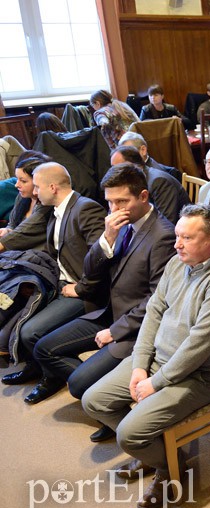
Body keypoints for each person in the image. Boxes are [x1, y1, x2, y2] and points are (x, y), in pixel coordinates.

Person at [82, 204, 210, 508]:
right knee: (94, 401)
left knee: (129, 434)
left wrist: (156, 382)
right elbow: (153, 312)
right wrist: (139, 366)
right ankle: (160, 452)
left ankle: (169, 468)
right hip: (160, 361)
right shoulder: (177, 263)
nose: (177, 244)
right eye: (177, 236)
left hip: (201, 375)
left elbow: (200, 345)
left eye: (187, 237)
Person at [30, 163, 175, 431]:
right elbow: (90, 269)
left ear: (143, 196)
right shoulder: (119, 225)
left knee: (77, 384)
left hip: (135, 328)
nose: (115, 209)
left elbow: (157, 301)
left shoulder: (163, 236)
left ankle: (109, 401)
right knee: (43, 348)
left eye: (122, 201)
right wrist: (107, 237)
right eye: (110, 202)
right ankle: (107, 396)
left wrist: (115, 331)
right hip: (108, 311)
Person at [1, 162, 105, 394]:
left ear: (53, 187)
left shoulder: (86, 209)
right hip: (59, 282)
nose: (34, 192)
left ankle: (55, 377)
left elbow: (102, 258)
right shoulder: (55, 211)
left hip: (81, 292)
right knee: (16, 312)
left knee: (30, 331)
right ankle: (35, 366)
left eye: (37, 187)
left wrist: (80, 288)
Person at [109, 146, 190, 225]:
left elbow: (167, 222)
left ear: (134, 165)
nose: (114, 172)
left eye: (118, 168)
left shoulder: (159, 182)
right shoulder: (132, 182)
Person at [0, 152, 53, 253]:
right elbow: (13, 224)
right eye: (17, 179)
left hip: (36, 256)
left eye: (23, 181)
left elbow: (22, 233)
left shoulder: (46, 206)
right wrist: (8, 230)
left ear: (37, 181)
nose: (16, 185)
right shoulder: (22, 196)